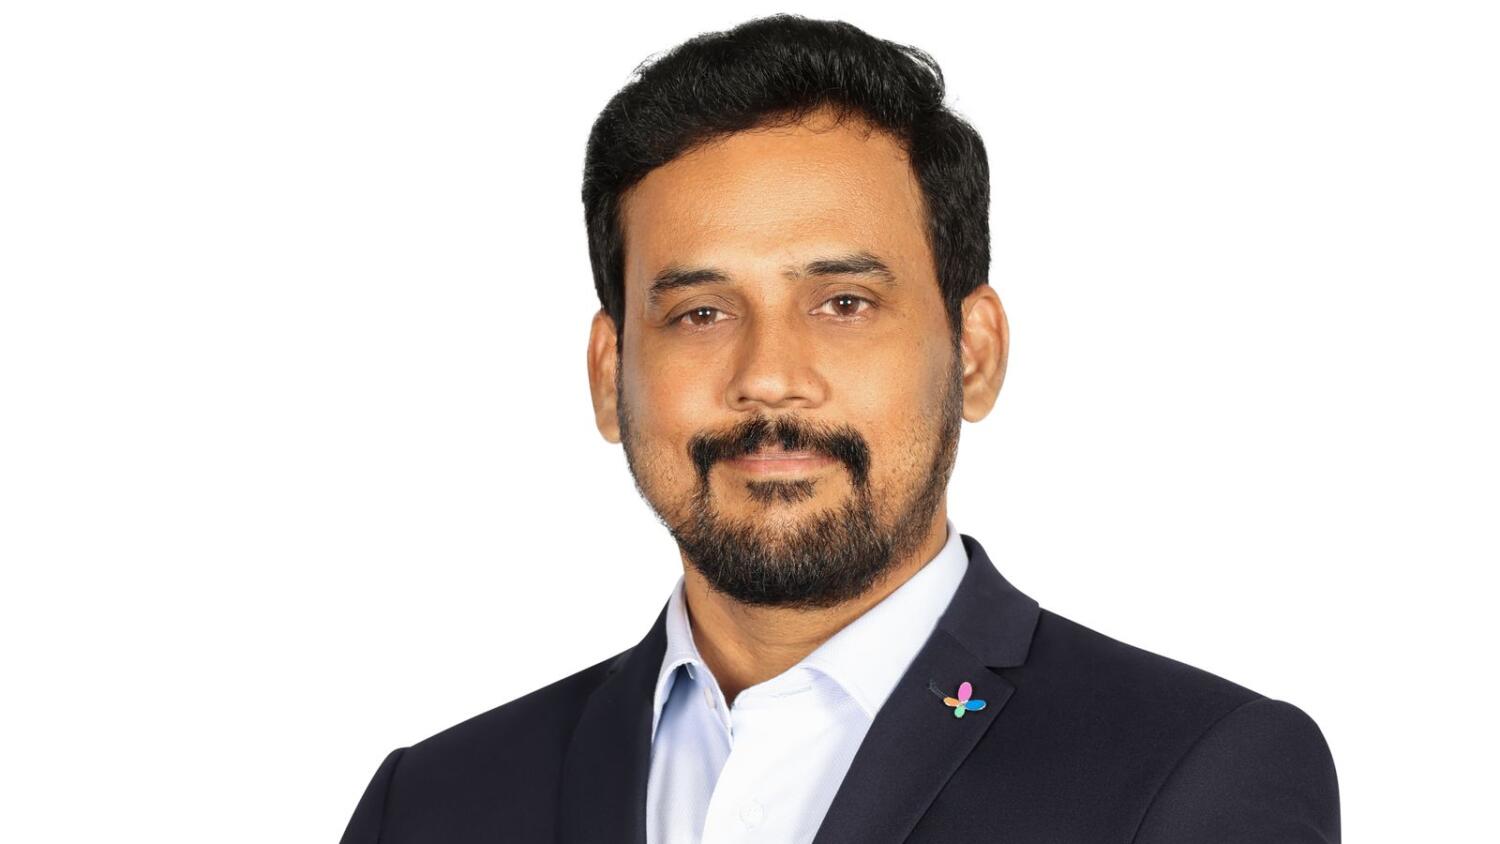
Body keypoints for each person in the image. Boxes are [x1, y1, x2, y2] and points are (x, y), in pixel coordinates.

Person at [338, 14, 1339, 843]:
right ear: (610, 376)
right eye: (701, 312)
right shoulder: (429, 806)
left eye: (844, 303)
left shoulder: (1192, 774)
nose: (769, 377)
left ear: (974, 352)